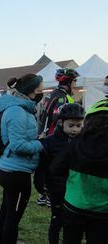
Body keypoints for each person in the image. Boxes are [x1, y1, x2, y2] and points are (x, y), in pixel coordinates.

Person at [50, 98, 108, 244]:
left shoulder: (77, 143)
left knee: (70, 240)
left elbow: (56, 168)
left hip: (74, 205)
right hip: (103, 210)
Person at [0, 74, 44, 244]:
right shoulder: (17, 111)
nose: (42, 91)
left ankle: (5, 239)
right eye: (40, 88)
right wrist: (41, 144)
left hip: (11, 168)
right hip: (16, 172)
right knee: (13, 216)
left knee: (7, 211)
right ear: (31, 91)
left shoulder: (21, 108)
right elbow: (18, 146)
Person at [34, 103, 84, 244]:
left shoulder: (83, 142)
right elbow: (42, 165)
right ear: (61, 123)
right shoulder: (50, 142)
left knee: (72, 222)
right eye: (71, 125)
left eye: (79, 126)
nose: (75, 130)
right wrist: (39, 182)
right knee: (57, 219)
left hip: (77, 189)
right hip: (56, 187)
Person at [40, 68, 79, 136]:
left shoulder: (53, 93)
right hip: (54, 135)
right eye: (75, 80)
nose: (76, 84)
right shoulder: (62, 97)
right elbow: (57, 118)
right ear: (68, 82)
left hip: (45, 131)